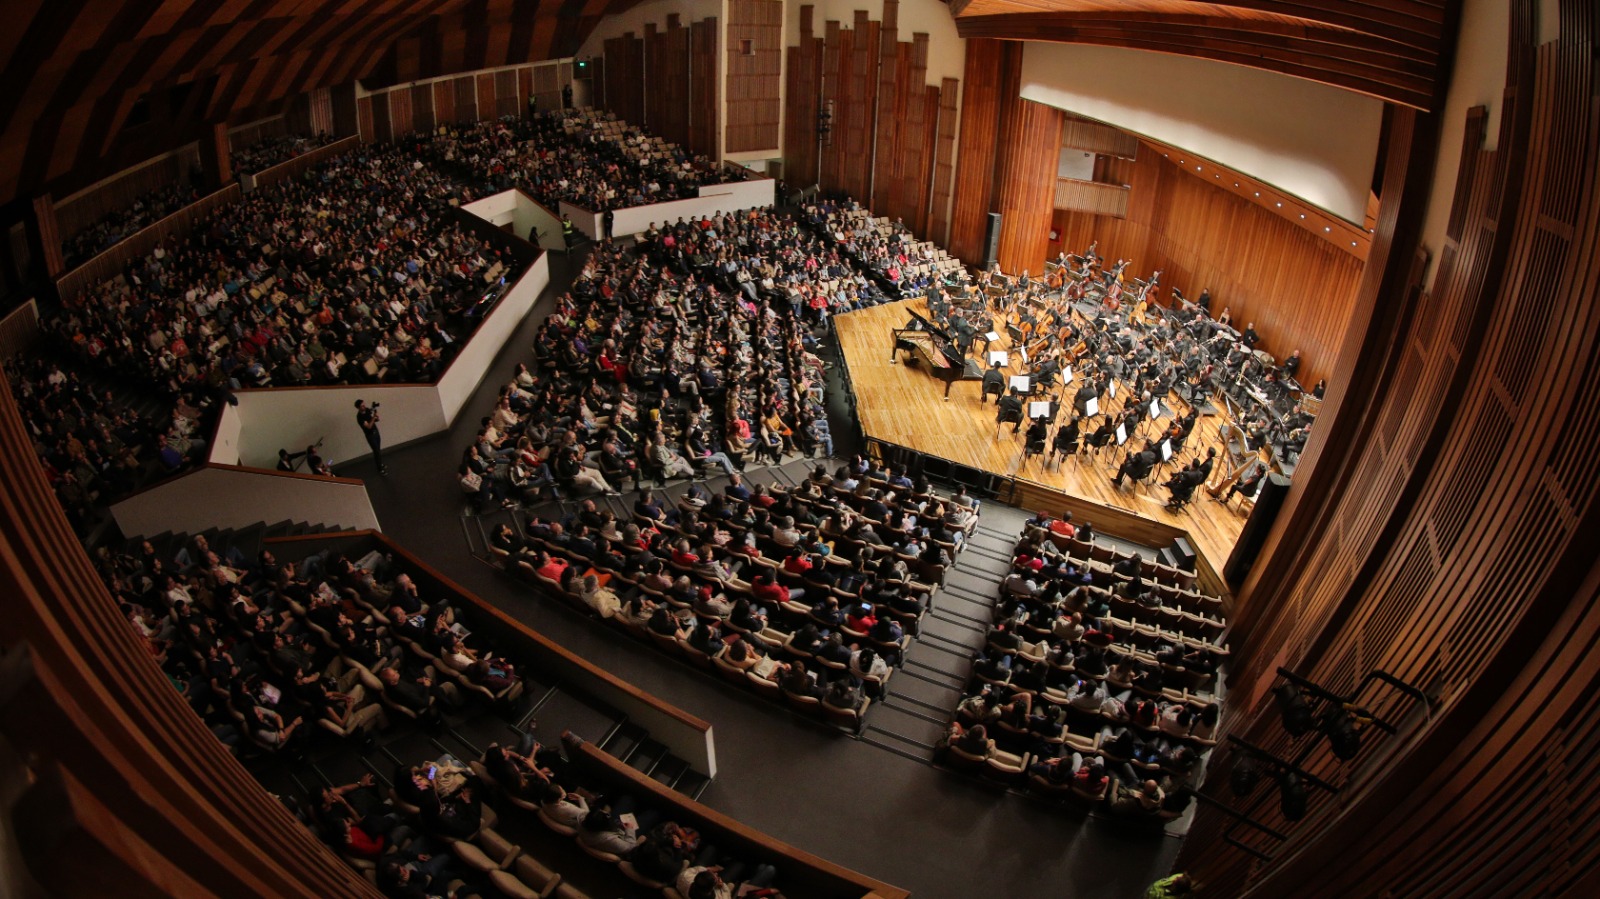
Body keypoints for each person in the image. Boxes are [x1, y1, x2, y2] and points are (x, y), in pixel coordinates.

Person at [355, 399, 386, 475]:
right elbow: (369, 426)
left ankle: (380, 464)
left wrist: (376, 417)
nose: (364, 406)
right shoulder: (359, 417)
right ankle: (380, 469)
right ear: (358, 408)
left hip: (376, 432)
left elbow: (375, 420)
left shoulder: (368, 410)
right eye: (362, 406)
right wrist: (373, 418)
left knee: (378, 450)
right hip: (370, 435)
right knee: (376, 451)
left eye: (364, 404)